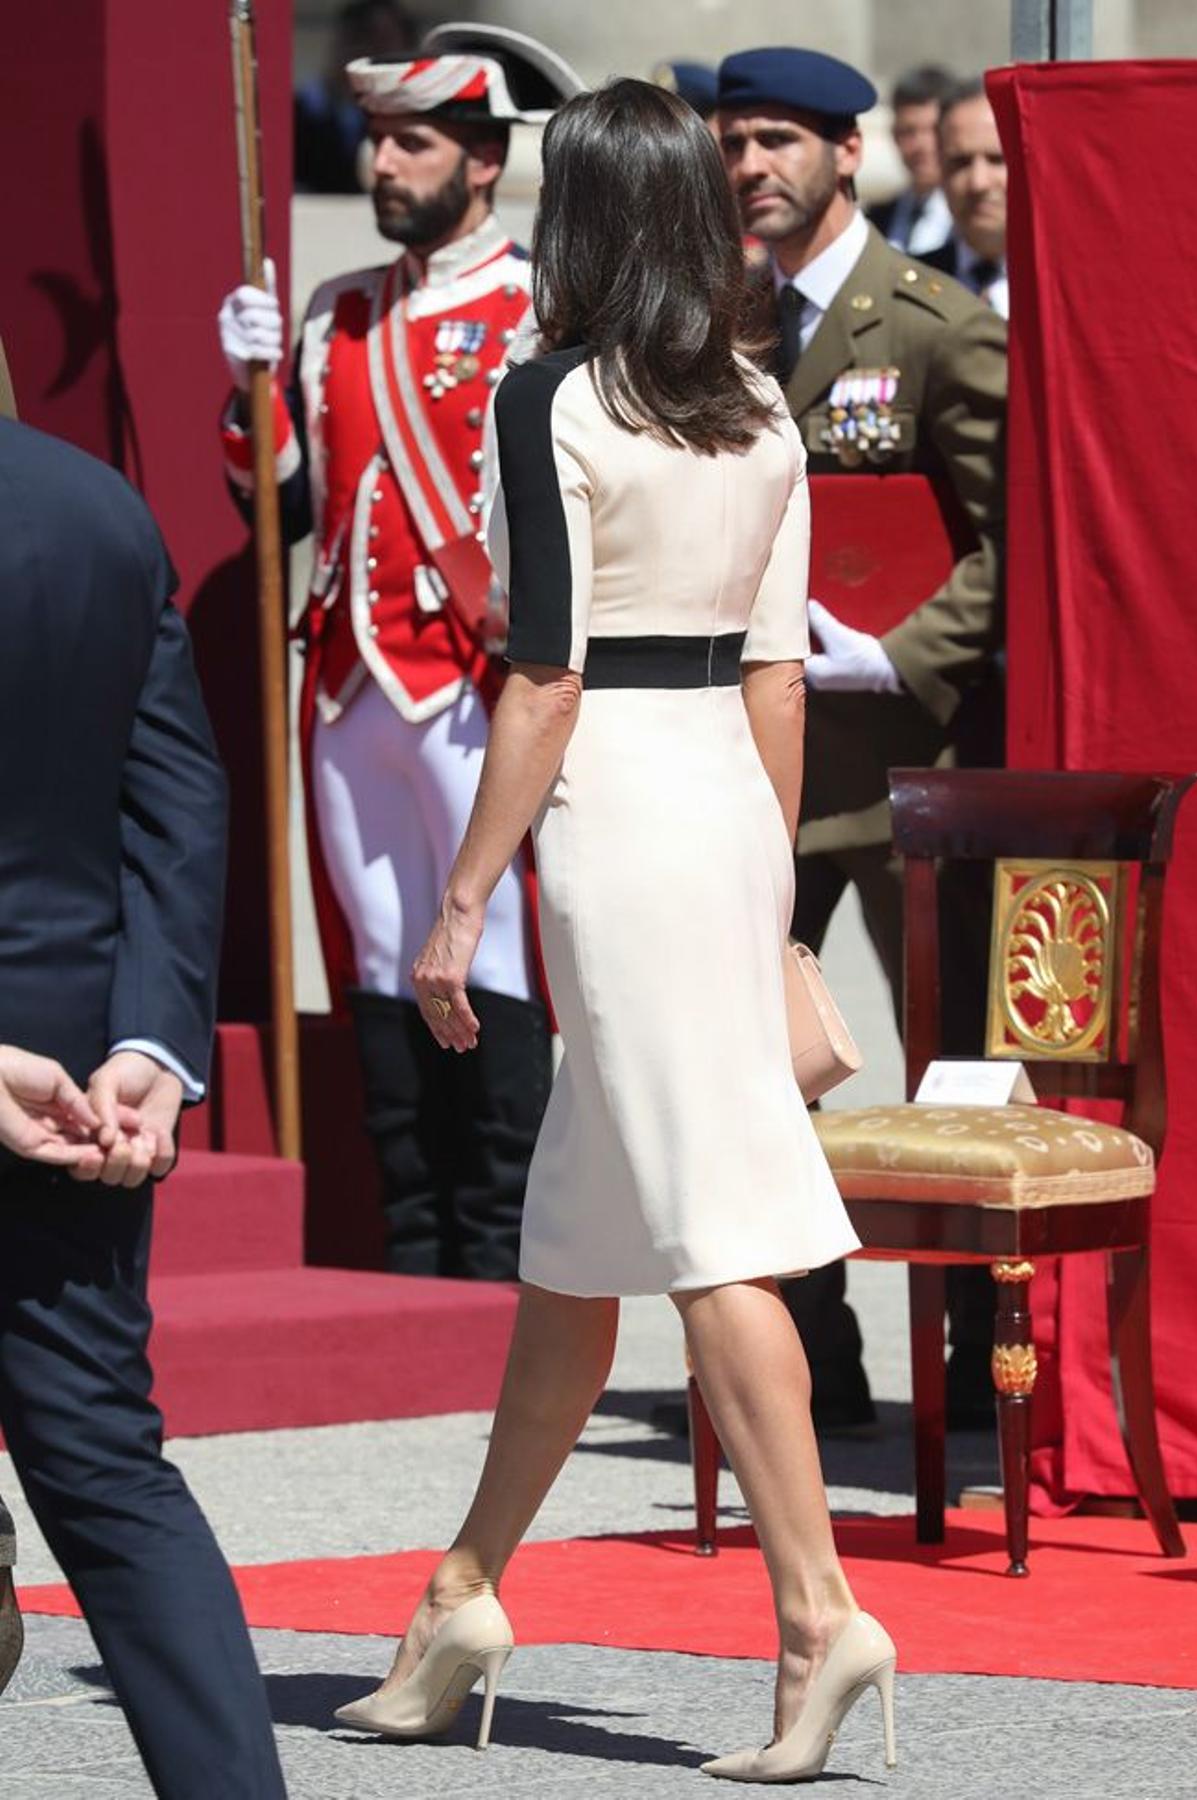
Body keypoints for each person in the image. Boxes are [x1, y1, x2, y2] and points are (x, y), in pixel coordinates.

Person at [332, 79, 897, 1783]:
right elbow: (787, 673)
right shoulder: (756, 400)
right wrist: (770, 883)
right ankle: (465, 1590)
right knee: (580, 1242)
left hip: (615, 814)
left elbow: (548, 675)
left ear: (579, 219)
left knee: (706, 1225)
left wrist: (456, 898)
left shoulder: (547, 397)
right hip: (724, 801)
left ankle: (819, 1612)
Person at [218, 27, 582, 1280]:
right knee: (378, 954)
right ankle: (410, 1243)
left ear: (482, 161)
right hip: (344, 680)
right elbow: (283, 498)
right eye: (375, 139)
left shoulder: (539, 305)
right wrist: (250, 387)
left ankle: (499, 1259)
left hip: (478, 686)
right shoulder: (337, 313)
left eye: (411, 142)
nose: (382, 162)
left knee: (488, 958)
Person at [715, 46, 1007, 1431]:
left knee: (952, 1071)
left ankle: (964, 1367)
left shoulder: (935, 324)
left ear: (847, 154)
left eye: (777, 140)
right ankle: (813, 1353)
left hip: (908, 764)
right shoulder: (727, 327)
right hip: (764, 765)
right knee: (746, 1061)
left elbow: (1015, 540)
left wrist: (903, 650)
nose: (751, 169)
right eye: (732, 144)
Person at [0, 414, 286, 1796]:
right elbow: (177, 794)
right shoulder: (99, 508)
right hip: (75, 1070)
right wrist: (152, 1044)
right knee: (112, 1479)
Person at [294, 0, 417, 194]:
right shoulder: (299, 113)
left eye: (380, 42)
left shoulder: (422, 120)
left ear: (406, 50)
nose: (362, 53)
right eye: (354, 39)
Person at [922, 78, 1009, 317]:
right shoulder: (909, 289)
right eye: (960, 163)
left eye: (996, 160)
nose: (978, 182)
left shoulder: (1066, 286)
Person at [867, 64, 956, 255]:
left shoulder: (969, 221)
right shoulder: (875, 221)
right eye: (908, 132)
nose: (921, 145)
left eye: (932, 130)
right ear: (894, 136)